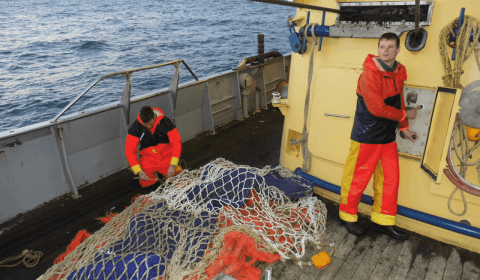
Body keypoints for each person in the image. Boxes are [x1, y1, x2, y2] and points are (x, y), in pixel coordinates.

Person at [339, 33, 421, 241]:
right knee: (357, 178)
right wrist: (404, 115)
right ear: (378, 49)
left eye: (390, 47)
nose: (385, 51)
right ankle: (347, 215)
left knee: (389, 180)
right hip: (366, 136)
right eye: (382, 47)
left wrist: (404, 127)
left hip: (387, 138)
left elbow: (398, 101)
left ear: (397, 50)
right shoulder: (369, 75)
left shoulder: (399, 72)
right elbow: (377, 109)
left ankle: (383, 222)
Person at [125, 106, 182, 188]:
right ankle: (155, 181)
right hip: (148, 158)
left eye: (150, 124)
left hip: (166, 156)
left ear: (154, 117)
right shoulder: (136, 127)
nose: (148, 127)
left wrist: (172, 165)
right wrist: (139, 171)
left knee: (177, 179)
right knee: (145, 183)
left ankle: (166, 173)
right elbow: (129, 150)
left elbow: (176, 143)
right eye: (145, 125)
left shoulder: (166, 122)